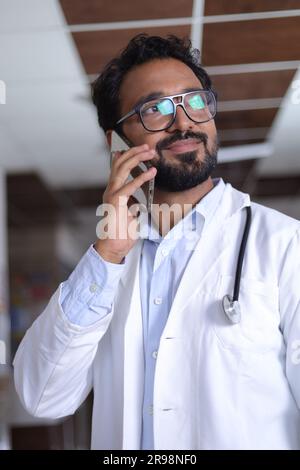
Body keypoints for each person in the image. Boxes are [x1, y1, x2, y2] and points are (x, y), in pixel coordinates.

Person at [13, 34, 300, 450]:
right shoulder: (105, 267)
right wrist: (106, 257)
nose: (183, 121)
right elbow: (42, 396)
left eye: (194, 101)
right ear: (118, 141)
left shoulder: (284, 245)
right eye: (155, 109)